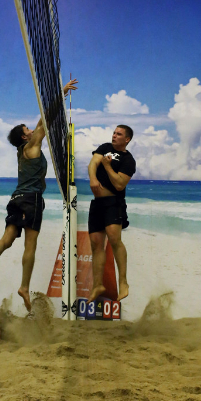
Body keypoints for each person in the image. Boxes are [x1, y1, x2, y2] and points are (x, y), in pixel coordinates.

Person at [0, 79, 78, 312]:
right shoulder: (33, 145)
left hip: (16, 198)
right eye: (28, 130)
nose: (32, 130)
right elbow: (46, 120)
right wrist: (61, 93)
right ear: (25, 137)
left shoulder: (22, 152)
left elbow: (41, 124)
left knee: (7, 239)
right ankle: (24, 287)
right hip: (31, 200)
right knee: (30, 245)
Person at [87, 125, 136, 303]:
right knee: (95, 244)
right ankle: (97, 285)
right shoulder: (105, 147)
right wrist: (93, 179)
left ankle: (123, 282)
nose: (114, 136)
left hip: (114, 203)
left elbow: (119, 184)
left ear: (127, 139)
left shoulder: (128, 160)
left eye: (119, 134)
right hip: (97, 203)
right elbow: (93, 163)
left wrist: (107, 166)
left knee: (114, 240)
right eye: (114, 133)